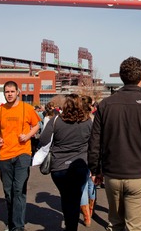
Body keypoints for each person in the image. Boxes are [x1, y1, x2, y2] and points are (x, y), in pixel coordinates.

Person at [88, 57, 141, 231]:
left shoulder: (106, 104)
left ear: (122, 77)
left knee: (115, 223)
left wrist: (95, 169)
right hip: (139, 172)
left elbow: (95, 140)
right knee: (135, 227)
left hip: (112, 173)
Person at [0, 81, 41, 231]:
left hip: (22, 153)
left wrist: (28, 136)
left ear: (18, 92)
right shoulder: (0, 110)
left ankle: (18, 226)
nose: (10, 94)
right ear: (4, 93)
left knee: (18, 189)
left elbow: (37, 125)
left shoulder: (27, 108)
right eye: (7, 92)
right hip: (5, 154)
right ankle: (12, 221)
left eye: (12, 91)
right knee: (8, 191)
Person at [39, 94, 93, 230]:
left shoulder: (56, 121)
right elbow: (93, 142)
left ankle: (70, 223)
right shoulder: (87, 122)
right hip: (80, 164)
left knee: (66, 196)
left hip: (59, 166)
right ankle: (71, 226)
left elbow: (43, 140)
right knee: (75, 198)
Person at [80, 95, 96, 227]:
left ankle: (86, 217)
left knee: (83, 186)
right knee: (92, 183)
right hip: (93, 154)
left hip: (81, 155)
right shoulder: (93, 120)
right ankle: (91, 210)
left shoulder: (78, 120)